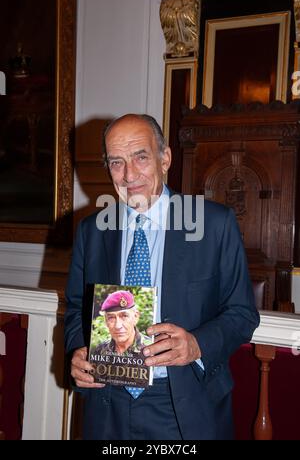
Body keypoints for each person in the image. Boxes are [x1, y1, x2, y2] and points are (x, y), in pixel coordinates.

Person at [65, 113, 260, 440]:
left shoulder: (213, 224)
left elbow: (242, 314)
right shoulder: (92, 231)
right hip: (107, 405)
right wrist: (78, 351)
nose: (129, 175)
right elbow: (75, 308)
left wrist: (197, 345)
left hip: (183, 405)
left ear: (165, 158)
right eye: (116, 162)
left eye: (140, 157)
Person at [93, 290, 151, 356]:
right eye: (111, 318)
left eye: (124, 316)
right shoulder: (100, 350)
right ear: (106, 321)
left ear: (135, 317)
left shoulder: (150, 348)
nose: (118, 326)